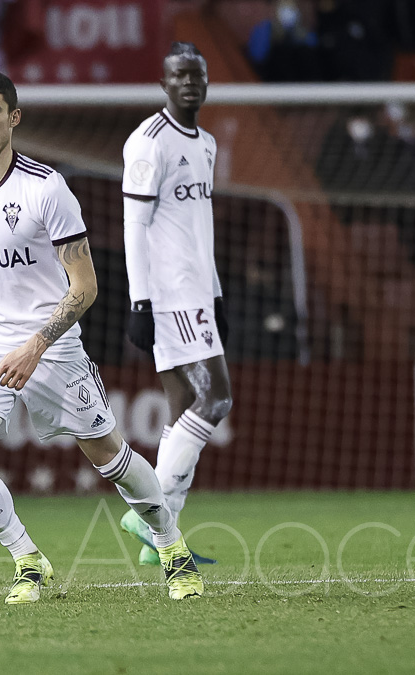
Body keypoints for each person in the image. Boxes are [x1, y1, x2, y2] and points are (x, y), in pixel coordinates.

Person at [0, 70, 205, 603]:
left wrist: (36, 345)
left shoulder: (46, 188)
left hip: (52, 345)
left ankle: (172, 547)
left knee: (108, 455)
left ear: (13, 118)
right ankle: (28, 560)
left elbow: (85, 286)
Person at [119, 43, 233, 568]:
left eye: (197, 74)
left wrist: (216, 292)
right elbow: (133, 226)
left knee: (183, 400)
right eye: (179, 75)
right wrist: (140, 300)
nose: (190, 83)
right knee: (215, 402)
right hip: (168, 292)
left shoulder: (205, 144)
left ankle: (162, 539)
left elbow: (197, 230)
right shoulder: (150, 142)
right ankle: (150, 517)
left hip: (195, 289)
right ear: (164, 84)